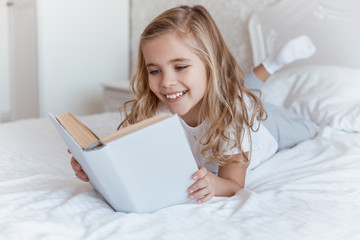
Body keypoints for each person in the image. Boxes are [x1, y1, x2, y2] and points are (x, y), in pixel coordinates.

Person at [70, 5, 317, 204]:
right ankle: (271, 65)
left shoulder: (235, 114)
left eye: (180, 67)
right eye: (154, 70)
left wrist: (214, 184)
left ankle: (272, 63)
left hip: (265, 129)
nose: (166, 82)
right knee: (241, 92)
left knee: (306, 126)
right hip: (228, 97)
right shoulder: (156, 108)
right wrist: (95, 169)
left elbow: (233, 184)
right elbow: (129, 162)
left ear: (211, 65)